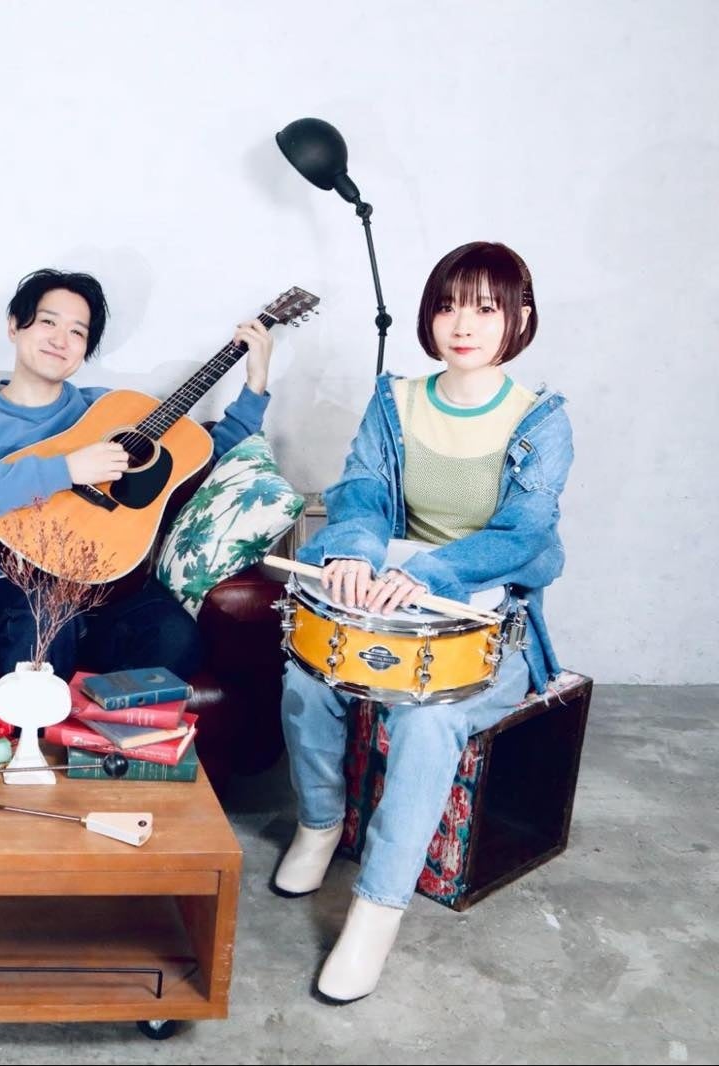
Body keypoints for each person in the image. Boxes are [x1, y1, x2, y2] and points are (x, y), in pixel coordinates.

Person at [273, 241, 573, 1003]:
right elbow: (363, 490)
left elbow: (525, 534)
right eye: (447, 305)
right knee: (308, 679)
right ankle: (318, 824)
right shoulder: (396, 401)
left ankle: (376, 911)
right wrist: (352, 551)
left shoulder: (540, 419)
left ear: (520, 318)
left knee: (428, 721)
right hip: (388, 601)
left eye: (485, 308)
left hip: (488, 621)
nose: (462, 325)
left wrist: (430, 574)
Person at [0, 267, 274, 680]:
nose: (60, 340)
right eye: (48, 322)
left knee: (174, 635)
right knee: (45, 624)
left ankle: (108, 724)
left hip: (106, 586)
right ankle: (38, 725)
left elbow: (200, 463)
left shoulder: (110, 410)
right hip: (3, 585)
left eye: (77, 332)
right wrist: (68, 469)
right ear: (14, 326)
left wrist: (254, 388)